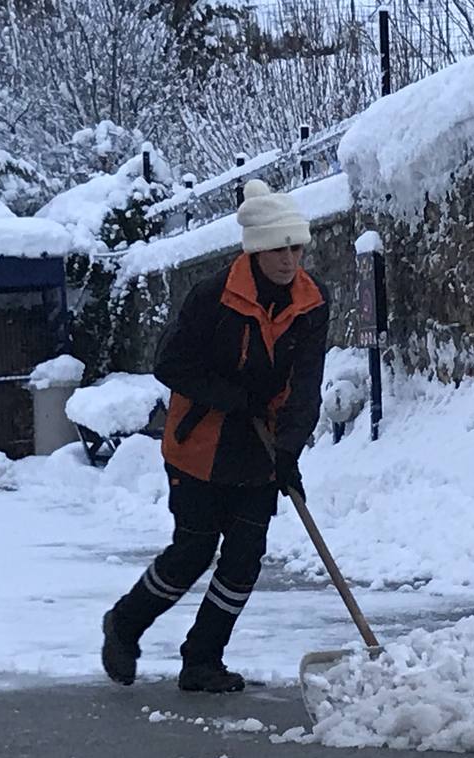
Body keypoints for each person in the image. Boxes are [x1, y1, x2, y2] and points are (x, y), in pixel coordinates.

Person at [100, 179, 330, 693]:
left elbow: (306, 383)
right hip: (199, 444)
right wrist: (232, 396)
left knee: (245, 558)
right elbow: (171, 364)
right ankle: (124, 624)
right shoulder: (212, 296)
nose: (289, 260)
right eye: (277, 249)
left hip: (260, 448)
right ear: (255, 249)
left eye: (296, 247)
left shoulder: (313, 303)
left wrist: (289, 449)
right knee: (192, 553)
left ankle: (202, 659)